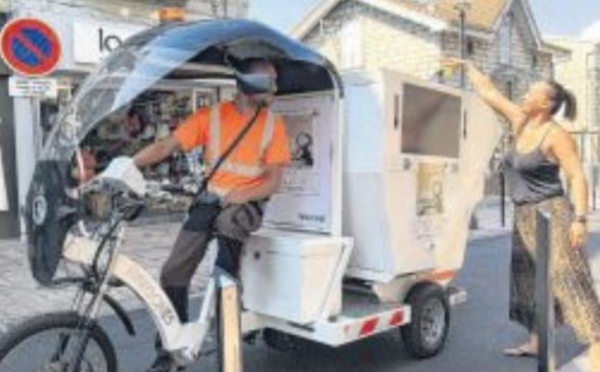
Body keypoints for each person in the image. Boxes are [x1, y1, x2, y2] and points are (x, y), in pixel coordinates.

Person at [132, 58, 290, 371]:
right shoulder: (212, 116)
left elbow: (273, 181)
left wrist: (242, 194)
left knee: (224, 275)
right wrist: (125, 166)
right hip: (210, 199)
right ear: (251, 84)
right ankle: (171, 348)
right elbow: (167, 146)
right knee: (173, 271)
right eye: (269, 80)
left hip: (245, 205)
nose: (275, 87)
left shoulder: (273, 124)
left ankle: (228, 321)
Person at [443, 58, 600, 370]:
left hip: (553, 215)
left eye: (531, 93)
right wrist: (466, 65)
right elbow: (489, 93)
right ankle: (536, 342)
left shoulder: (556, 135)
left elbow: (577, 177)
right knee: (527, 281)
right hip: (524, 215)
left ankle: (597, 352)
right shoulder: (520, 121)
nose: (524, 96)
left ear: (545, 104)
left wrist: (580, 219)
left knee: (570, 282)